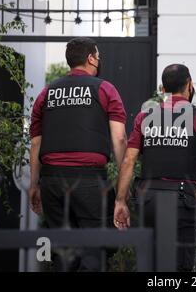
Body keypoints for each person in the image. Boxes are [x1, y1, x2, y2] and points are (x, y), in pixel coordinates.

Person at [113, 64, 196, 271]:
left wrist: (120, 200)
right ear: (189, 84)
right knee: (180, 266)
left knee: (150, 265)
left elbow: (128, 161)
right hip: (182, 202)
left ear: (163, 89)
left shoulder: (145, 117)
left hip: (149, 200)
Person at [28, 37, 128, 271]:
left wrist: (34, 184)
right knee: (94, 248)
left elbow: (35, 143)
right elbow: (120, 139)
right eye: (98, 57)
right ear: (91, 59)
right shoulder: (105, 89)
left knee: (62, 249)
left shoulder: (46, 93)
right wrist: (123, 185)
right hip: (90, 181)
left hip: (52, 181)